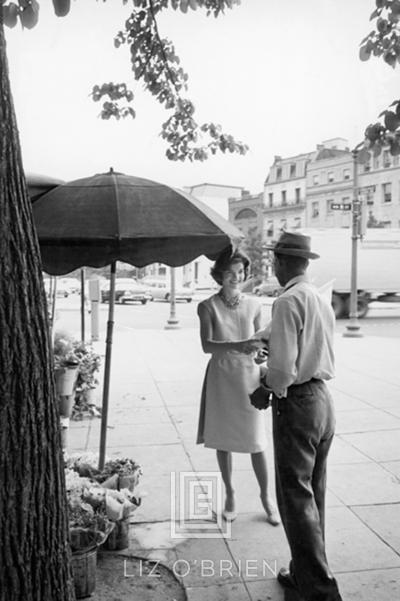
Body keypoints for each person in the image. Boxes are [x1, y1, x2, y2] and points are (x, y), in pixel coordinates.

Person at [257, 231, 343, 601]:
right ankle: (303, 572)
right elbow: (302, 343)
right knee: (313, 494)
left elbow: (282, 372)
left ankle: (321, 592)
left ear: (281, 262)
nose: (273, 266)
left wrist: (264, 388)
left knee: (295, 498)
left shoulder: (288, 300)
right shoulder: (318, 297)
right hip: (323, 401)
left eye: (274, 260)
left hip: (297, 403)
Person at [196, 248, 280, 525]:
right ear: (219, 274)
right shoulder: (207, 307)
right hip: (221, 376)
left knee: (256, 441)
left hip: (249, 375)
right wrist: (238, 345)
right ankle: (230, 494)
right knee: (224, 439)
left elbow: (261, 343)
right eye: (230, 273)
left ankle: (266, 497)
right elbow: (207, 346)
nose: (236, 277)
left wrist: (261, 354)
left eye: (240, 272)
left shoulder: (254, 305)